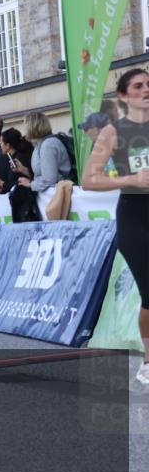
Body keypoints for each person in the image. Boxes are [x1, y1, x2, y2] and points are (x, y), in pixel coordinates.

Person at [82, 68, 149, 386]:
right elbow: (89, 178)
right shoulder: (114, 131)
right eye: (138, 86)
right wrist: (131, 179)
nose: (146, 89)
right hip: (136, 219)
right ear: (124, 96)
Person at [20, 112, 71, 192]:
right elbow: (42, 174)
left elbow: (49, 180)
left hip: (57, 195)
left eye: (25, 126)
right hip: (53, 195)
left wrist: (30, 184)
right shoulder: (40, 144)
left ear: (32, 127)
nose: (24, 130)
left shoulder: (47, 145)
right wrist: (24, 170)